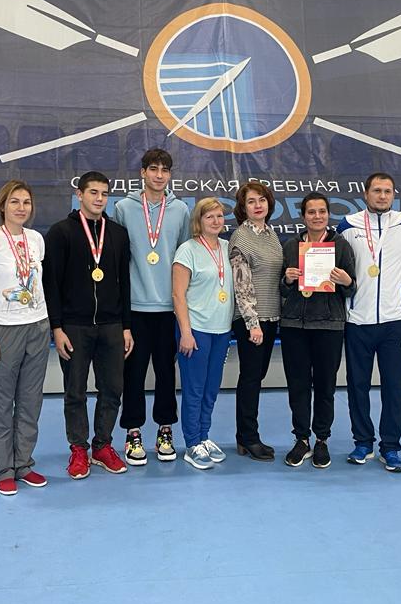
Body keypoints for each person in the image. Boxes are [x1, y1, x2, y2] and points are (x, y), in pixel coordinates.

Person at [45, 171, 134, 479]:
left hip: (112, 325)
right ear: (79, 194)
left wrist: (126, 326)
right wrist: (57, 327)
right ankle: (79, 449)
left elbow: (125, 283)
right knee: (75, 391)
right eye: (93, 192)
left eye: (104, 193)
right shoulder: (60, 232)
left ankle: (102, 446)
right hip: (74, 326)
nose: (99, 198)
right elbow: (51, 284)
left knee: (112, 389)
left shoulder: (118, 234)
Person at [0, 180, 51, 496]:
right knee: (2, 402)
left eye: (26, 202)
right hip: (4, 330)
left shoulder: (36, 240)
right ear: (3, 206)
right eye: (14, 201)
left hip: (37, 327)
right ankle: (4, 469)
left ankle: (24, 465)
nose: (21, 207)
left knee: (31, 402)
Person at [113, 148, 190, 465]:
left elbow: (184, 257)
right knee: (132, 374)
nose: (159, 175)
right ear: (142, 172)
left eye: (165, 170)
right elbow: (118, 259)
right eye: (153, 169)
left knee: (166, 374)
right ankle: (133, 433)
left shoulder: (181, 210)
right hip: (134, 308)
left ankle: (165, 430)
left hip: (168, 309)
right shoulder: (123, 208)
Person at [337, 172, 401, 472]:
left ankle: (391, 446)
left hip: (395, 321)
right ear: (365, 193)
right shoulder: (348, 225)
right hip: (357, 320)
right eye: (377, 191)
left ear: (394, 194)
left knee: (393, 387)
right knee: (357, 385)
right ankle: (362, 442)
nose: (382, 196)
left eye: (387, 191)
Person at [279, 192, 356, 468]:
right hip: (294, 325)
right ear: (303, 216)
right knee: (297, 385)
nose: (317, 216)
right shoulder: (291, 246)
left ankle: (322, 439)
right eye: (311, 212)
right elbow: (281, 289)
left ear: (328, 214)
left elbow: (352, 287)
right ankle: (301, 439)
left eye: (322, 211)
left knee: (325, 386)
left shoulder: (341, 245)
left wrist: (346, 281)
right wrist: (288, 280)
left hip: (329, 325)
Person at [172, 197, 235, 470]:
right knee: (194, 389)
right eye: (210, 216)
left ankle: (204, 436)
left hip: (222, 330)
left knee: (211, 389)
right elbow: (178, 295)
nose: (216, 221)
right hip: (196, 330)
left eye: (219, 216)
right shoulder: (187, 250)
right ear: (198, 221)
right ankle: (191, 443)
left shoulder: (228, 247)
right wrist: (185, 332)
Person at [229, 181, 283, 461]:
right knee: (250, 378)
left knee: (256, 377)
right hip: (252, 320)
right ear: (243, 208)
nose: (258, 205)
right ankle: (249, 438)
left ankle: (245, 436)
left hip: (271, 317)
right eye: (251, 201)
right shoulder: (241, 238)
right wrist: (252, 323)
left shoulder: (271, 235)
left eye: (261, 200)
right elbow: (241, 285)